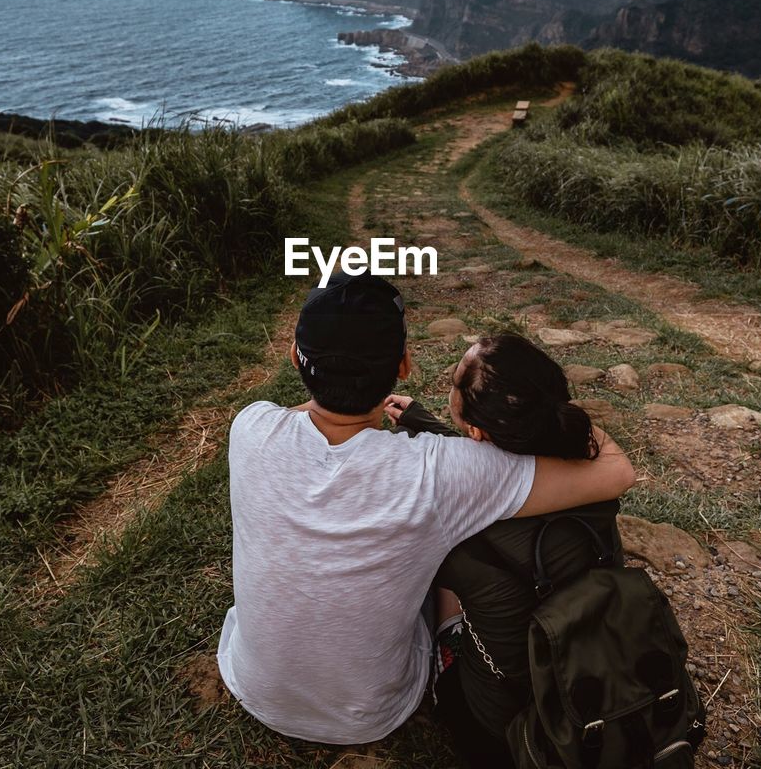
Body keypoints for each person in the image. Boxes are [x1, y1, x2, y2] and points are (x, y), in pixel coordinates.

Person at [216, 274, 636, 747]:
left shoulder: (249, 428)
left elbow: (301, 417)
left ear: (295, 356)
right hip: (369, 713)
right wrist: (556, 406)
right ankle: (450, 639)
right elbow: (617, 471)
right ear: (404, 365)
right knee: (445, 549)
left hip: (253, 687)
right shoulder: (445, 472)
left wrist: (336, 391)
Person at [385, 333, 622, 768]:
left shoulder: (460, 522)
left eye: (456, 381)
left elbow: (480, 483)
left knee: (436, 591)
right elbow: (507, 473)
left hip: (504, 732)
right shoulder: (593, 479)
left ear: (474, 431)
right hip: (594, 681)